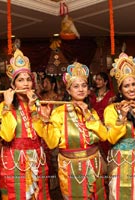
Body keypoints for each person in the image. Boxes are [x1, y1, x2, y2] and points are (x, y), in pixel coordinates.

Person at [34, 62, 108, 199]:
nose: (81, 89)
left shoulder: (91, 111)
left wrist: (88, 115)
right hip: (71, 168)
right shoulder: (59, 112)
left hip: (94, 165)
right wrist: (45, 120)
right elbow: (52, 143)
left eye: (84, 85)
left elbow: (104, 136)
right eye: (76, 86)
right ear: (68, 90)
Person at [0, 48, 50, 200]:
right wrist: (7, 106)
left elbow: (47, 138)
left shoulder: (40, 105)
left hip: (37, 157)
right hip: (14, 160)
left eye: (28, 79)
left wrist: (35, 109)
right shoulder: (4, 107)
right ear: (13, 85)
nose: (25, 84)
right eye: (20, 80)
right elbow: (6, 135)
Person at [104, 52, 135, 199]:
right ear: (120, 89)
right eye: (126, 86)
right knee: (119, 193)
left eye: (134, 84)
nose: (131, 89)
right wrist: (122, 117)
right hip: (119, 159)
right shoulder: (111, 109)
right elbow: (111, 139)